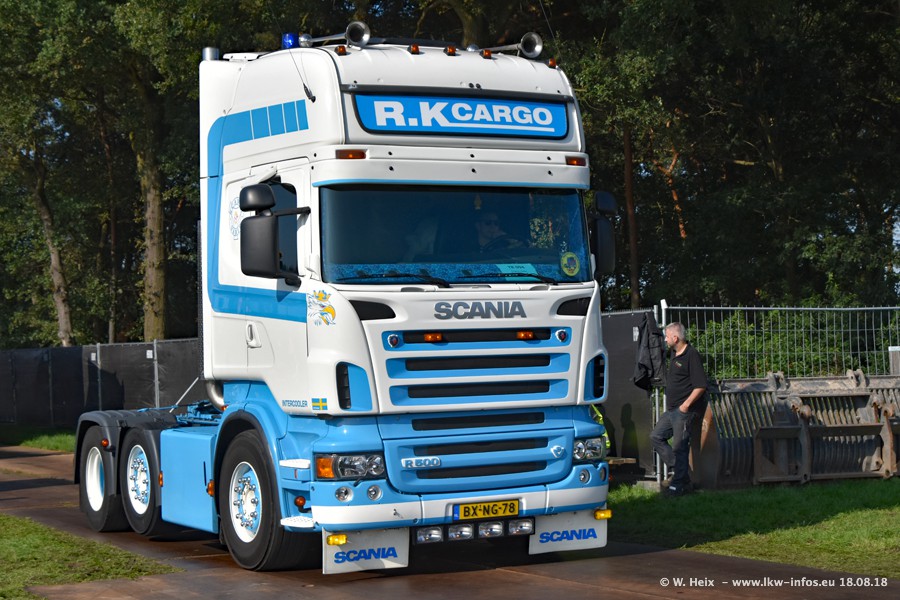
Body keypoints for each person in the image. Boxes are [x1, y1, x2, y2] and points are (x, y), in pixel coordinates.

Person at [650, 322, 707, 496]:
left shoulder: (692, 355)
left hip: (684, 411)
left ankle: (677, 486)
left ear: (675, 338)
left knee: (679, 447)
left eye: (667, 336)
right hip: (672, 410)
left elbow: (700, 386)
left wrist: (685, 405)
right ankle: (682, 473)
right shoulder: (674, 354)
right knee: (656, 436)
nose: (665, 339)